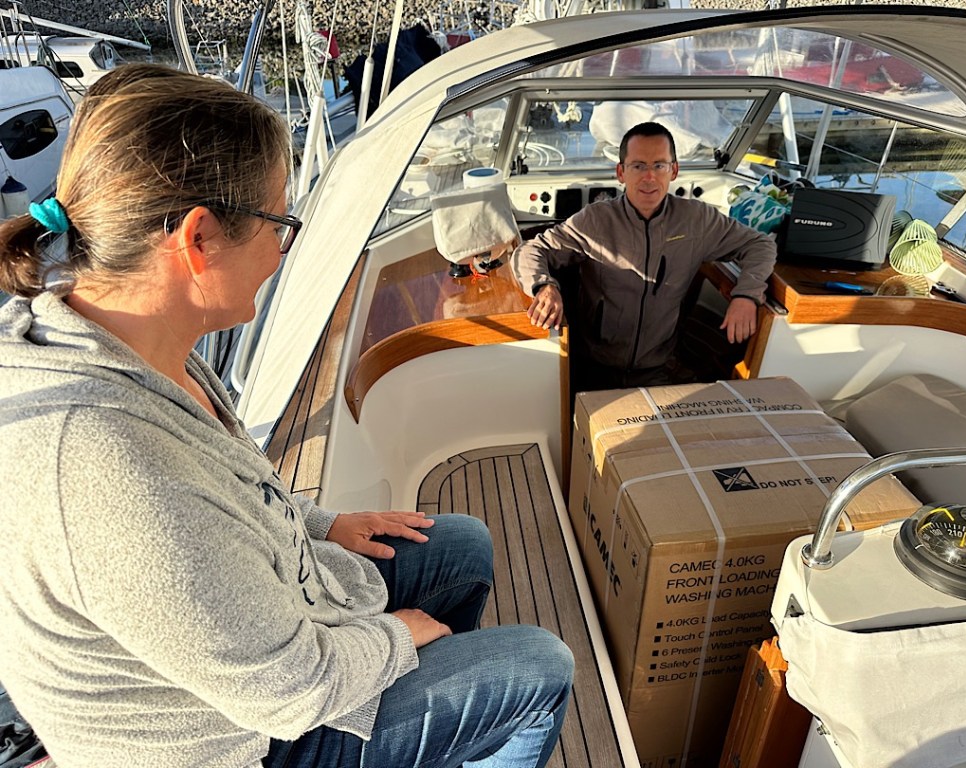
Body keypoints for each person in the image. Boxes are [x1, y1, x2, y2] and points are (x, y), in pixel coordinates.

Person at [0, 64, 573, 768]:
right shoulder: (107, 470)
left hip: (273, 630)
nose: (282, 247)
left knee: (461, 547)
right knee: (538, 669)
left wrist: (320, 525)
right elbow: (291, 692)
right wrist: (398, 638)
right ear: (199, 239)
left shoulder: (131, 344)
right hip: (235, 741)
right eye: (280, 223)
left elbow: (222, 496)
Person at [512, 121, 777, 390]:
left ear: (674, 170)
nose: (649, 177)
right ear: (621, 172)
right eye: (638, 166)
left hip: (658, 369)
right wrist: (544, 286)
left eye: (659, 165)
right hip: (592, 368)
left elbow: (759, 245)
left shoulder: (697, 220)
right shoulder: (595, 221)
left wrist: (746, 295)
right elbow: (530, 250)